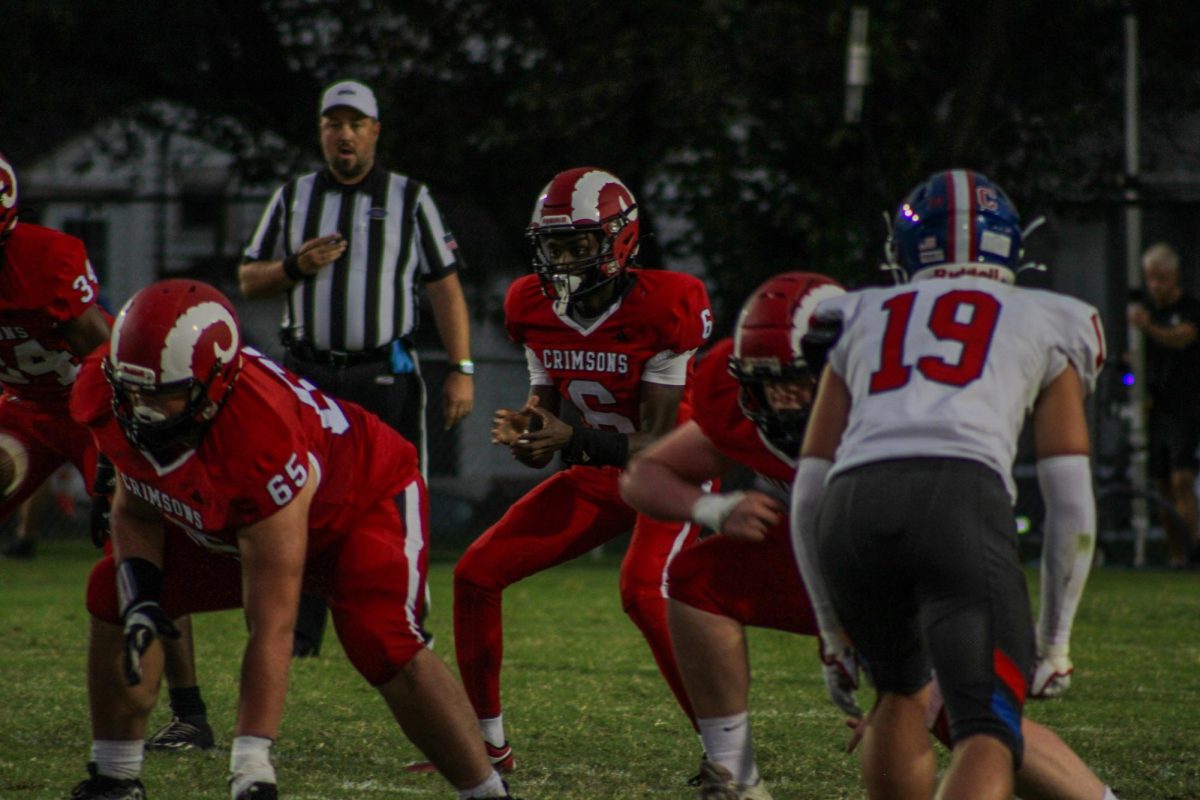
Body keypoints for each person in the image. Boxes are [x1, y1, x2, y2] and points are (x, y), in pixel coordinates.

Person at [622, 271, 1118, 800]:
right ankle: (734, 778)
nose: (783, 402)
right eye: (765, 384)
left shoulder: (899, 400)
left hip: (921, 558)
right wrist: (715, 506)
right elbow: (644, 475)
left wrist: (896, 685)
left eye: (796, 380)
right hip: (838, 561)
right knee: (698, 577)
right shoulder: (743, 405)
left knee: (964, 712)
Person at [66, 279, 515, 800]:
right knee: (113, 591)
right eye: (133, 390)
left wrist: (252, 762)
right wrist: (142, 593)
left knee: (381, 640)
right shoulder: (107, 389)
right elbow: (136, 507)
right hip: (244, 517)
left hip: (358, 503)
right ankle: (115, 777)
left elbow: (272, 625)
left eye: (162, 394)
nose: (142, 409)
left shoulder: (260, 435)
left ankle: (486, 792)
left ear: (214, 385)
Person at [790, 170, 1108, 799]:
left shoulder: (857, 312)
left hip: (852, 508)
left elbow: (808, 489)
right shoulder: (1050, 317)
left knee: (900, 691)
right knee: (988, 728)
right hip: (958, 497)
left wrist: (830, 630)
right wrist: (1056, 640)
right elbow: (1070, 495)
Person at [453, 167, 713, 770]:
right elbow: (545, 397)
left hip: (670, 471)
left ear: (620, 240)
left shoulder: (666, 304)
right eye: (553, 246)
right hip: (598, 468)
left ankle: (724, 748)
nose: (564, 260)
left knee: (644, 589)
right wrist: (531, 429)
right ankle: (487, 747)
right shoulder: (529, 303)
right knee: (474, 574)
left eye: (579, 244)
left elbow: (659, 444)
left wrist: (570, 440)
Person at [239, 78, 474, 656]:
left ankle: (407, 615)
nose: (343, 135)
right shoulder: (293, 198)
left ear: (374, 132)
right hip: (308, 372)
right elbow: (249, 279)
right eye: (333, 124)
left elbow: (445, 288)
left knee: (399, 494)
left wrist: (462, 366)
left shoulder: (409, 197)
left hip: (383, 372)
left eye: (354, 124)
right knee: (303, 496)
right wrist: (295, 266)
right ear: (321, 132)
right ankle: (301, 630)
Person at [0, 151, 215, 750]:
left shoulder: (43, 262)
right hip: (22, 410)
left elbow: (108, 358)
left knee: (144, 545)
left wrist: (115, 455)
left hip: (90, 406)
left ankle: (190, 713)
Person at [1128, 241, 1200, 567]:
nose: (1156, 285)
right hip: (1157, 410)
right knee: (1160, 486)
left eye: (1162, 278)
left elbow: (1181, 337)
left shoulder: (1188, 309)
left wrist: (1148, 328)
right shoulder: (1147, 312)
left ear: (1174, 276)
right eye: (1151, 278)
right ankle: (1176, 557)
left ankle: (1195, 548)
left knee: (1181, 479)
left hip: (1186, 408)